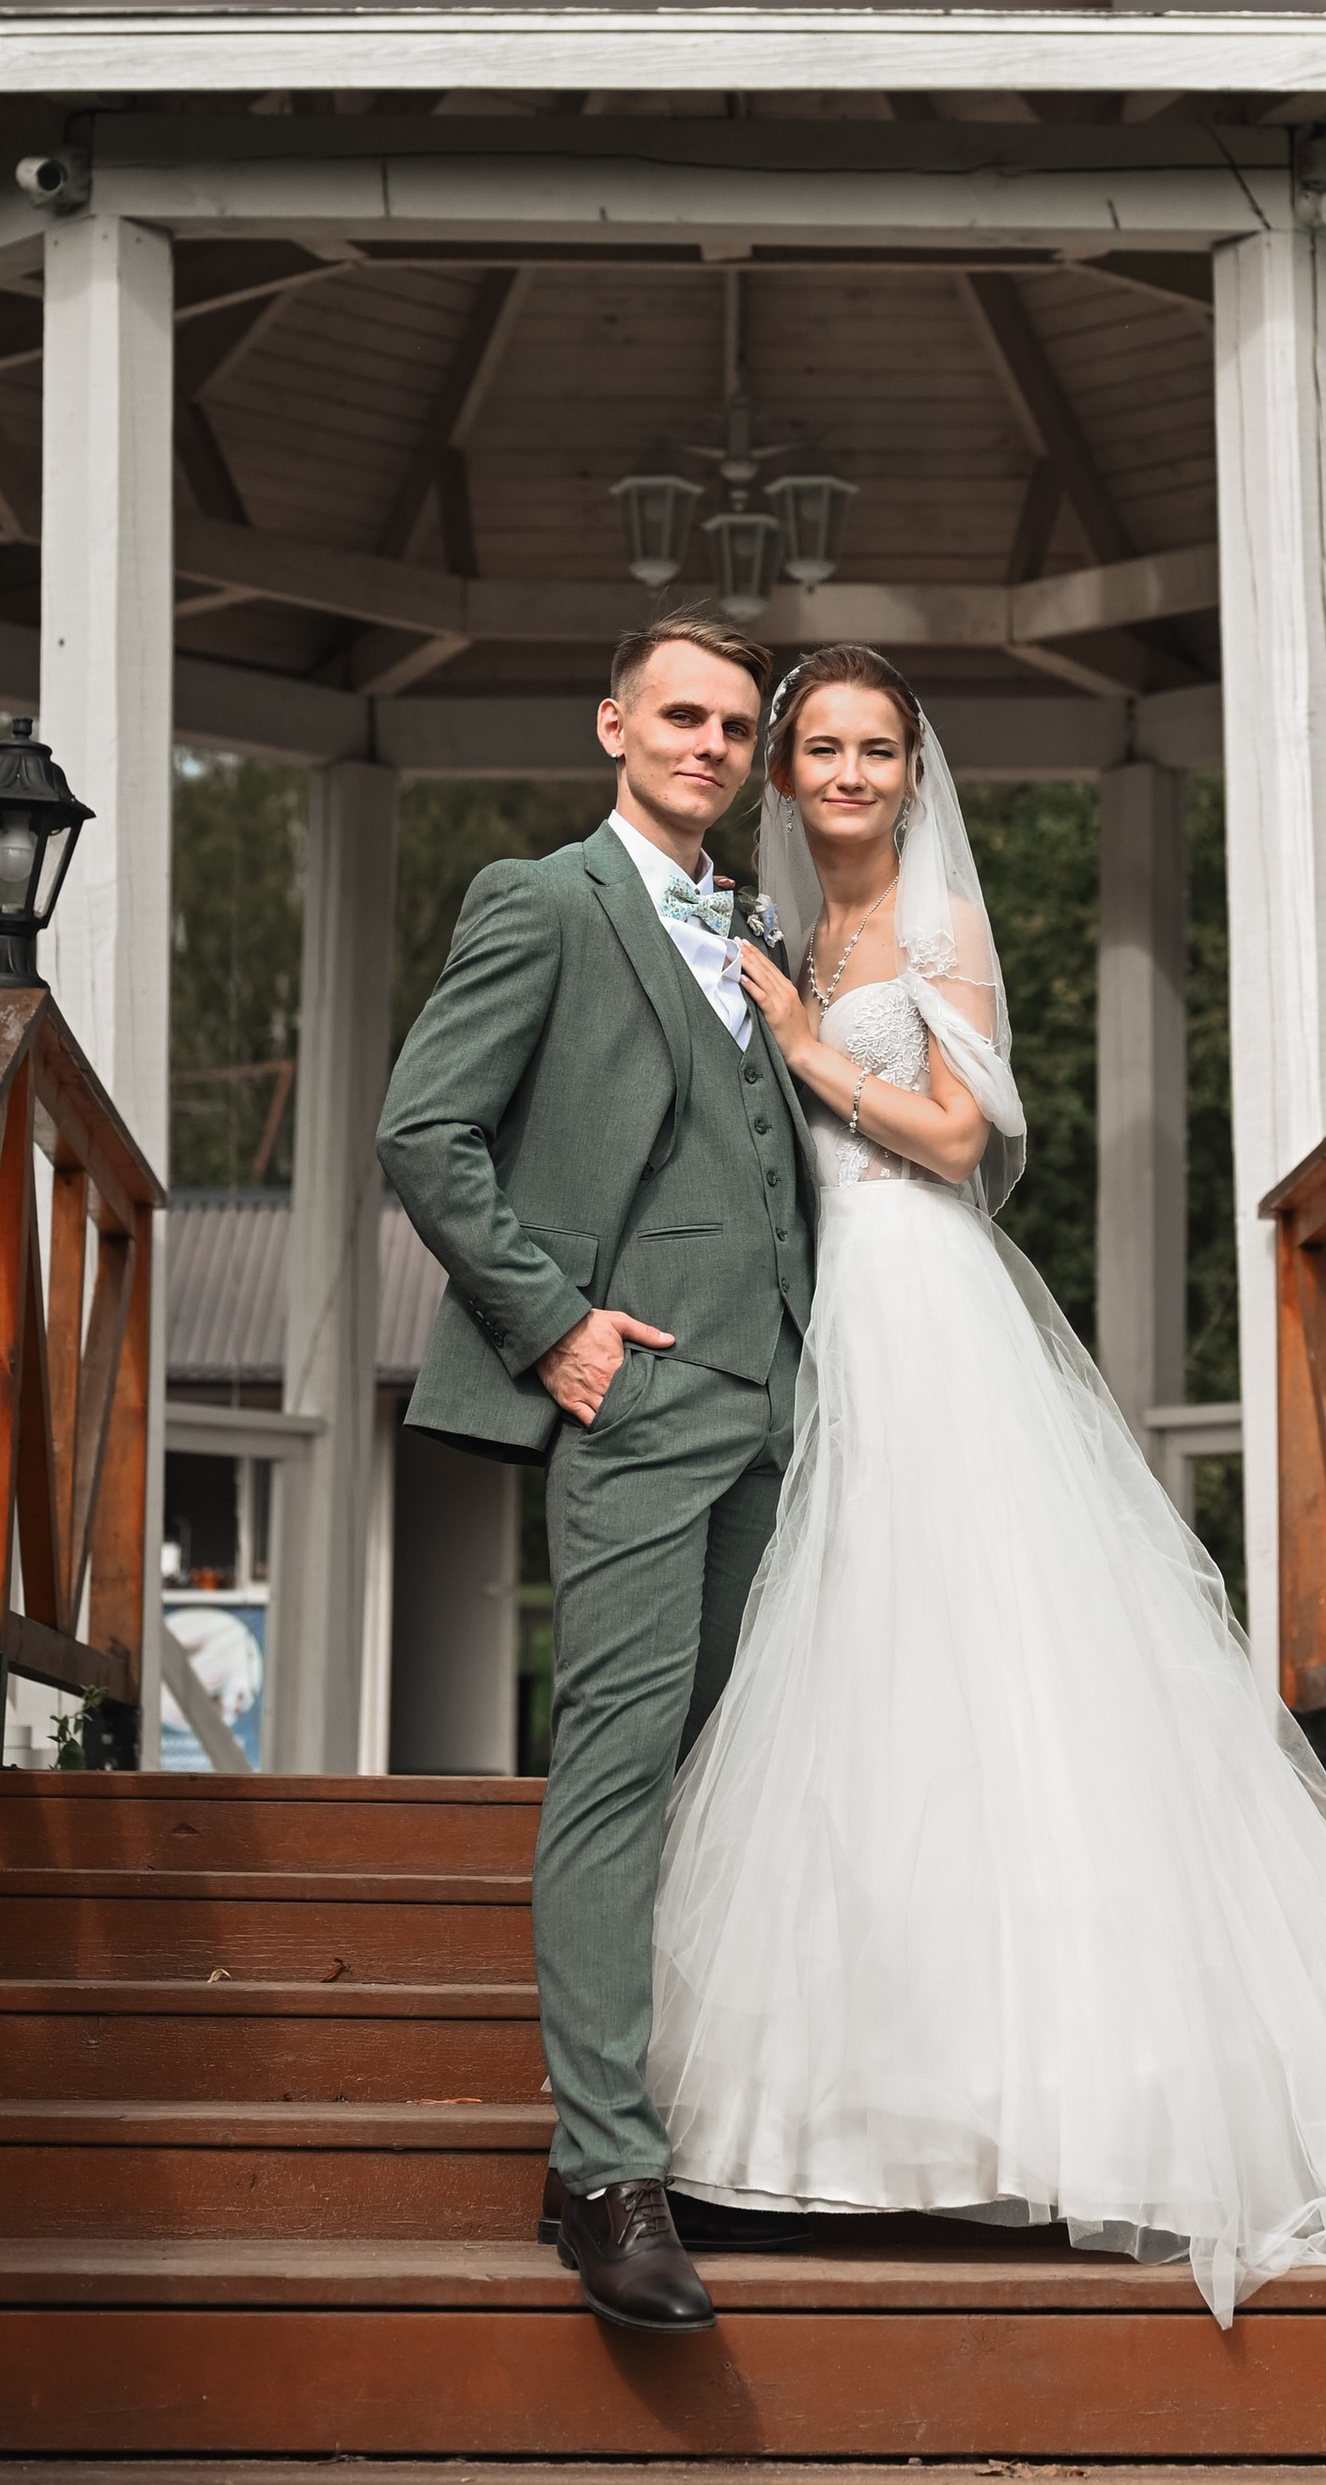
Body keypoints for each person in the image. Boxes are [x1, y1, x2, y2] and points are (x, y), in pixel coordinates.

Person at [646, 642, 1326, 2330]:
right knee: (862, 1691)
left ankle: (1073, 2108)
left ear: (913, 772)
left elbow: (968, 1137)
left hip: (930, 1312)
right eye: (817, 748)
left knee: (987, 1665)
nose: (844, 775)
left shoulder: (928, 929)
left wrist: (807, 1047)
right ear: (780, 776)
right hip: (822, 1321)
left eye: (874, 749)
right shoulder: (782, 936)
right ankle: (839, 2124)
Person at [376, 618, 814, 2336]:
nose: (711, 743)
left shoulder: (759, 925)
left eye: (736, 725)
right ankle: (607, 2170)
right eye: (683, 715)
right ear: (616, 724)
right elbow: (426, 1128)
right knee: (622, 1773)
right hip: (636, 1402)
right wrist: (554, 1326)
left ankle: (720, 2127)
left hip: (786, 1410)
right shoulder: (544, 900)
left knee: (745, 1772)